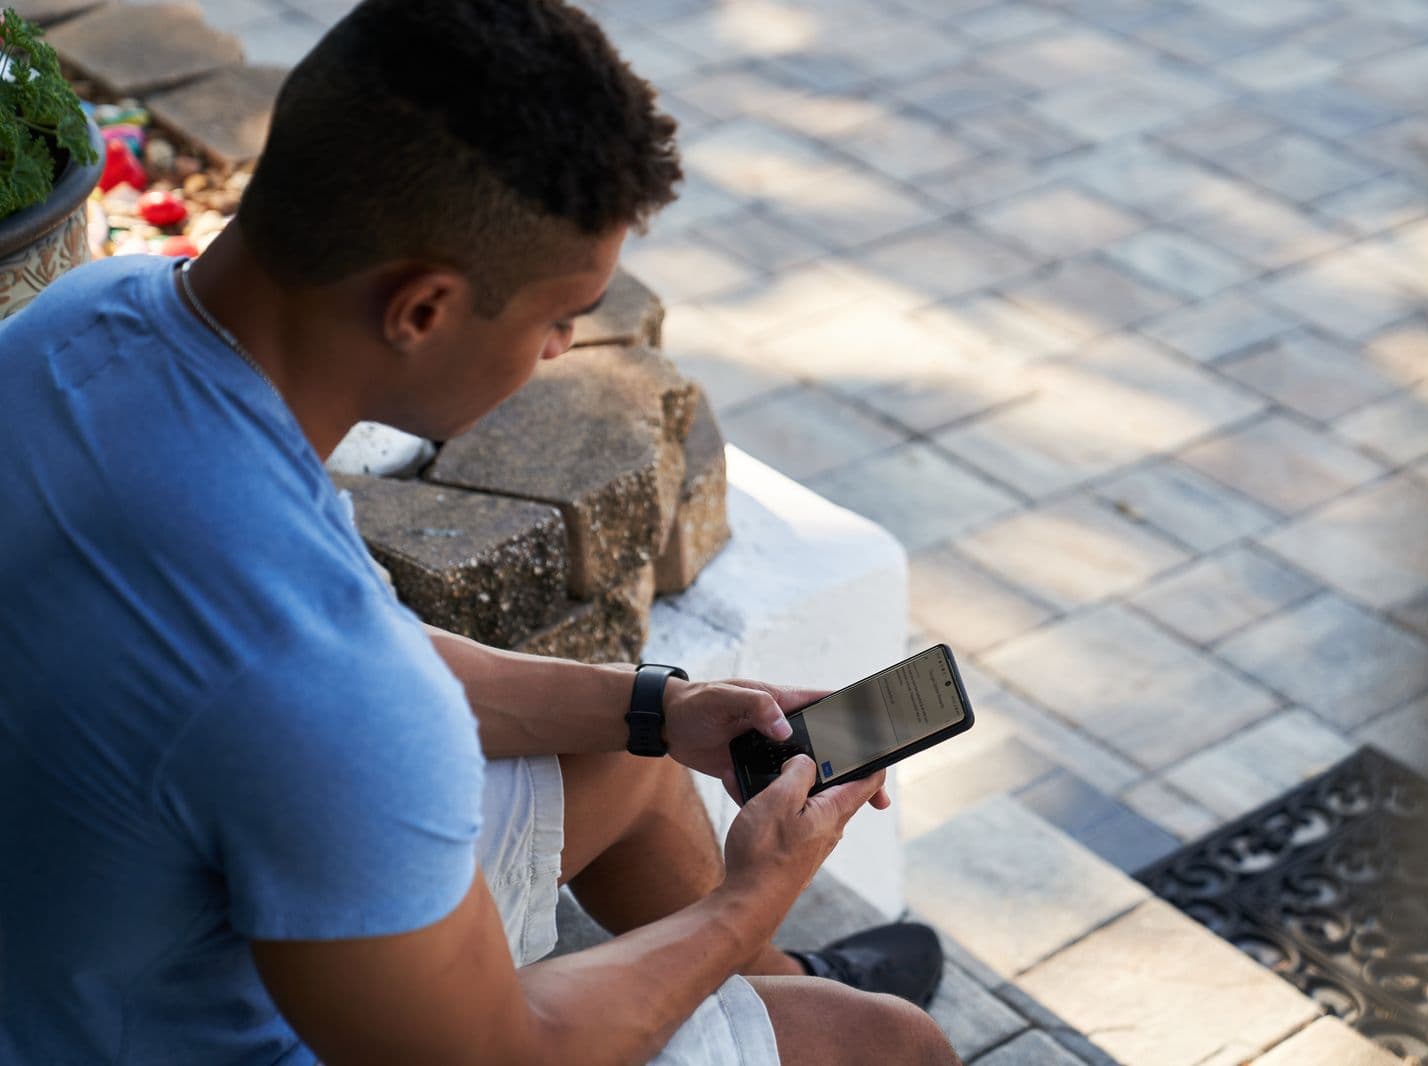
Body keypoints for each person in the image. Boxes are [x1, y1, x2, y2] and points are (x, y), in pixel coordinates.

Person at [0, 1, 959, 1062]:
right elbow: (500, 1053)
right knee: (889, 1043)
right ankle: (755, 984)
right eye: (557, 317)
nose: (559, 350)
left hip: (73, 948)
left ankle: (756, 992)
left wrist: (662, 707)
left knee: (627, 757)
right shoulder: (329, 696)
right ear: (422, 311)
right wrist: (750, 896)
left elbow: (336, 652)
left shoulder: (79, 320)